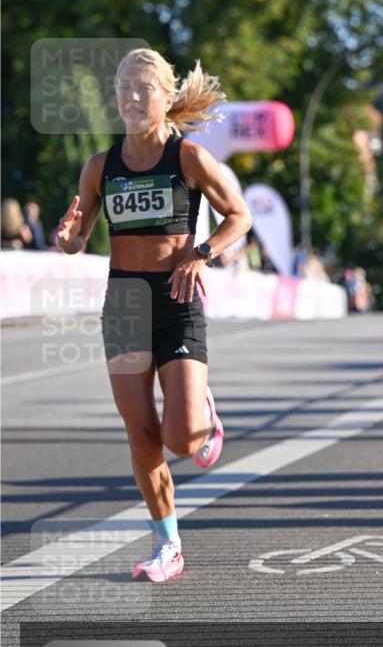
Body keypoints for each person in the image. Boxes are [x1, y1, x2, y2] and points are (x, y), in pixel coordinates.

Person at [55, 48, 252, 583]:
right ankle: (168, 545)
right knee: (142, 435)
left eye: (144, 88)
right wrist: (69, 237)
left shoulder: (187, 157)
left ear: (167, 99)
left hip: (176, 299)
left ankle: (203, 415)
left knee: (182, 439)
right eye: (124, 87)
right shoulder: (100, 166)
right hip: (123, 304)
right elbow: (77, 238)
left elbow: (241, 214)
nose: (132, 97)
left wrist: (203, 252)